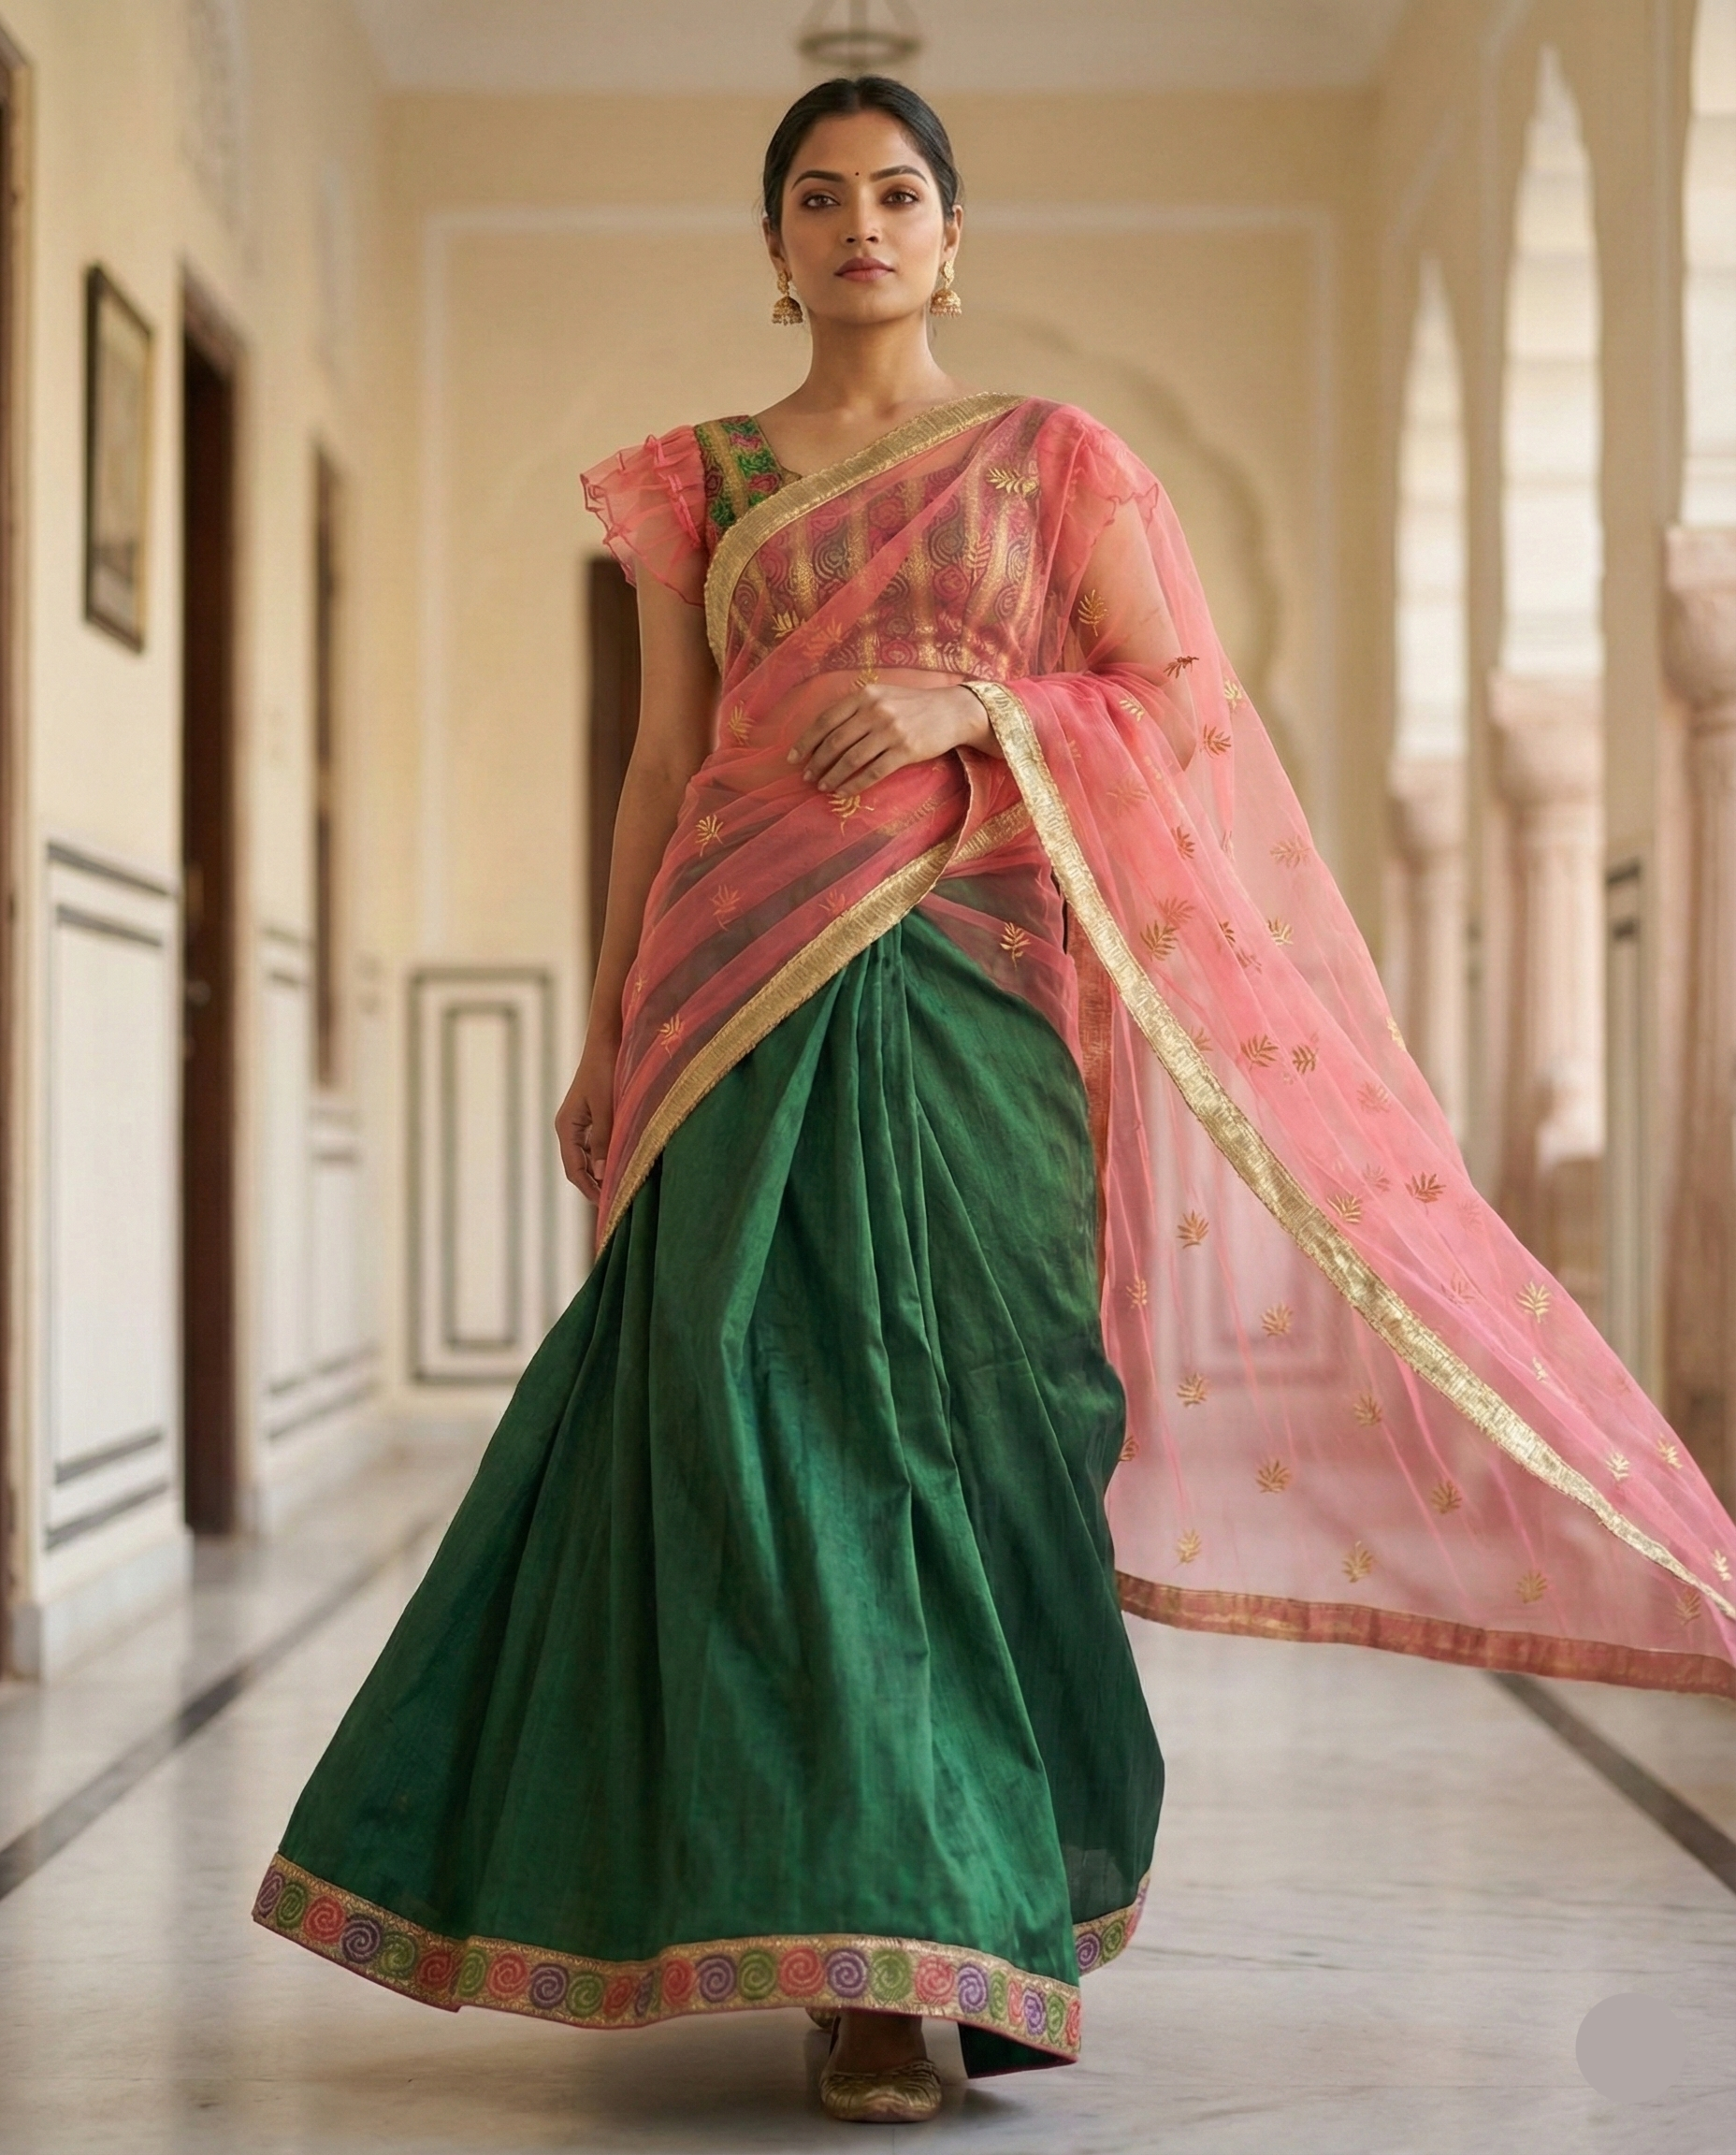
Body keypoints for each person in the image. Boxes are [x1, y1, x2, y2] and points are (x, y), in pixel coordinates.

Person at [254, 74, 1736, 2130]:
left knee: (985, 1440)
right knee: (745, 1443)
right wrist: (606, 1028)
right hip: (730, 1007)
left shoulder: (1056, 462)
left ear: (954, 238)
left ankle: (980, 1898)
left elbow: (1181, 711)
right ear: (773, 247)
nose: (858, 225)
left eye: (896, 194)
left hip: (982, 1013)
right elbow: (668, 762)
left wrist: (976, 702)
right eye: (817, 197)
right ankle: (858, 1956)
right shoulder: (697, 483)